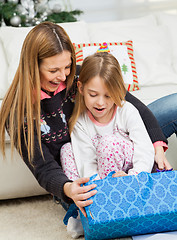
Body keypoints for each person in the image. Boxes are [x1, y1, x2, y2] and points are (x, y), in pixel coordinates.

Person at [0, 21, 171, 233]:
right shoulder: (18, 112)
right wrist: (68, 188)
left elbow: (133, 105)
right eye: (53, 70)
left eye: (67, 66)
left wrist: (156, 145)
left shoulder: (80, 76)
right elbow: (43, 167)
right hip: (79, 177)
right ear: (33, 67)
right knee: (93, 215)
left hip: (118, 144)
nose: (63, 76)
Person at [61, 52, 155, 181]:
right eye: (93, 95)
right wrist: (97, 185)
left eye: (108, 95)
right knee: (66, 150)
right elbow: (86, 163)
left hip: (131, 177)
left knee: (107, 143)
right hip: (99, 181)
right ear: (81, 88)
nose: (100, 103)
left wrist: (133, 177)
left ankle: (114, 190)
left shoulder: (126, 111)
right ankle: (79, 198)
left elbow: (144, 149)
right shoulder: (80, 122)